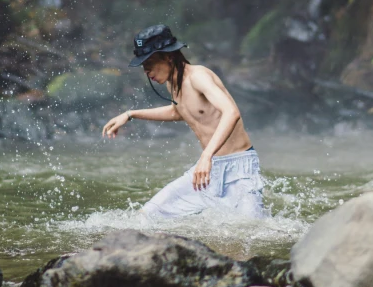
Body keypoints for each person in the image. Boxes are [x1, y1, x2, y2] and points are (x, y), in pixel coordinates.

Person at [102, 24, 266, 220]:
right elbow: (180, 111)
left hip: (238, 168)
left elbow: (231, 112)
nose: (146, 70)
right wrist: (131, 114)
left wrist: (206, 156)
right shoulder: (174, 83)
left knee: (250, 231)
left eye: (150, 62)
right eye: (143, 65)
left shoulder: (199, 76)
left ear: (168, 57)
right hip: (209, 168)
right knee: (148, 215)